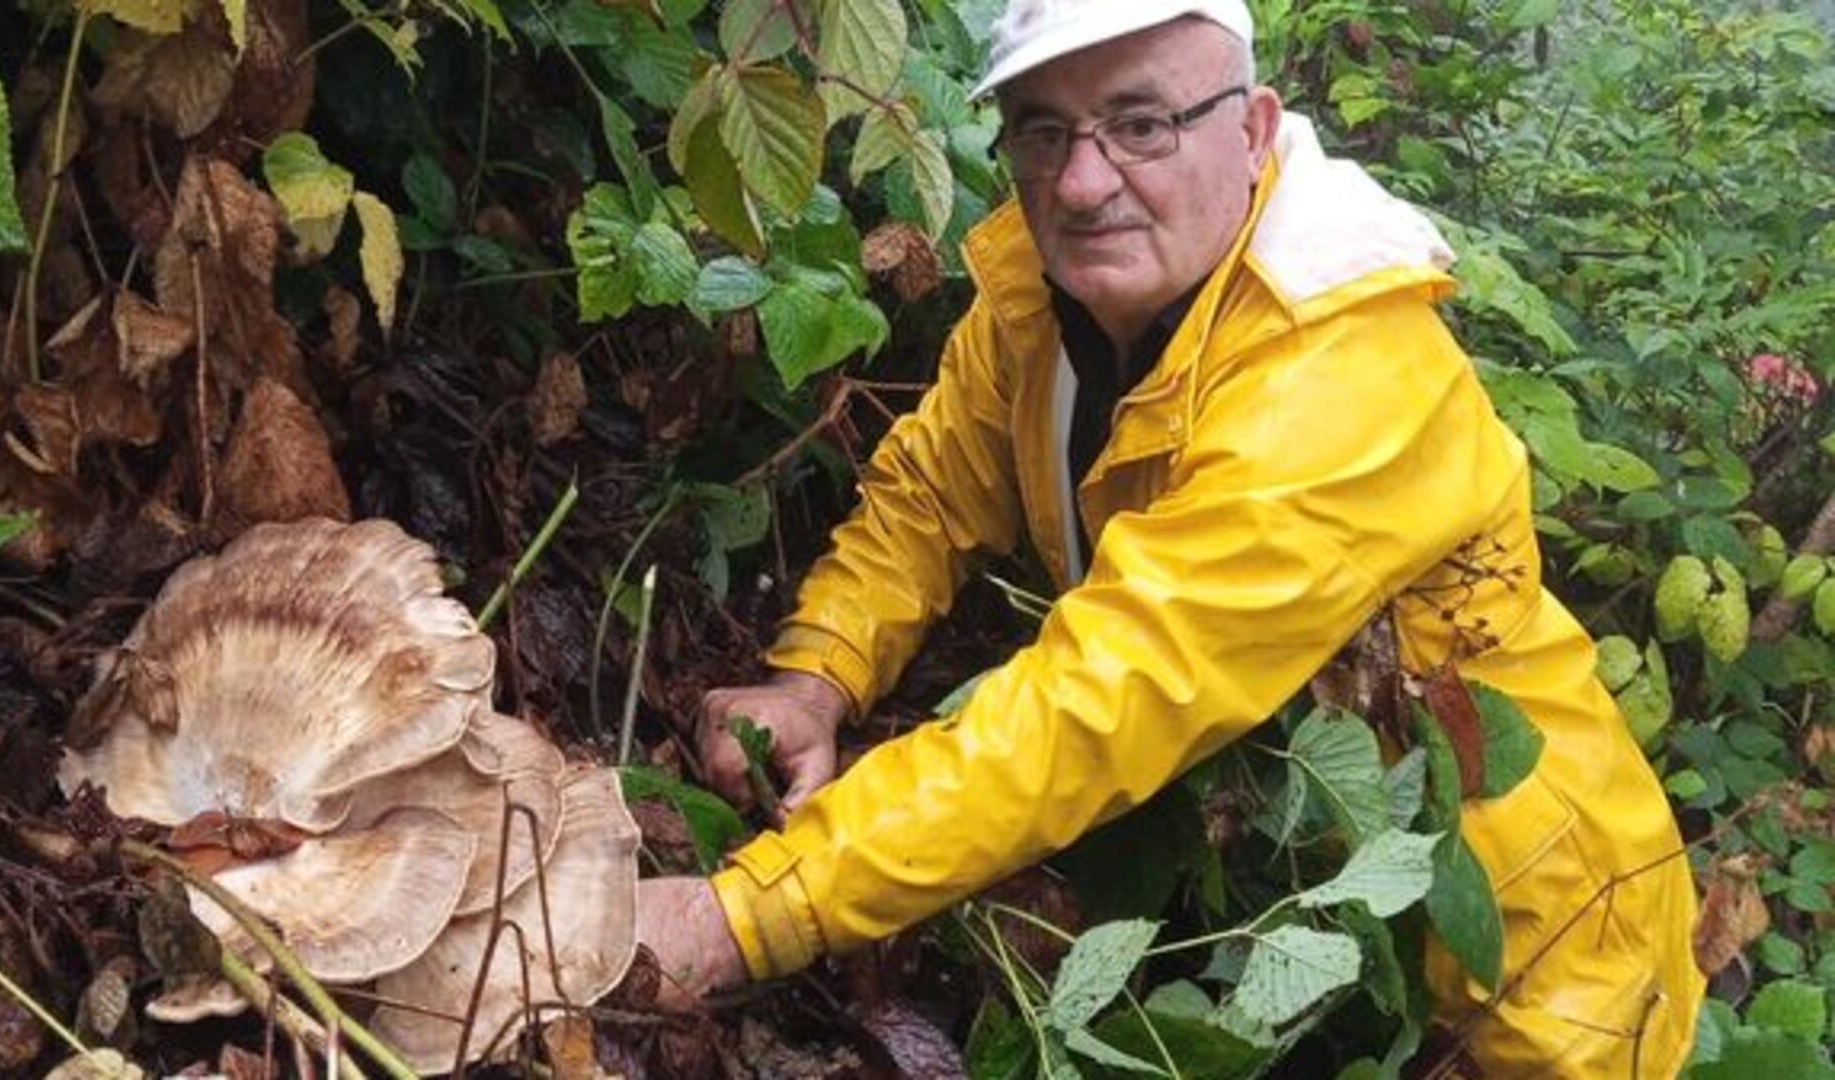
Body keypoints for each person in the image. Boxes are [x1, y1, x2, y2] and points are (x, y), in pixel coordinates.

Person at [635, 1, 1704, 1072]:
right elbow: (935, 490)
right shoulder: (1047, 298)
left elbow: (1107, 696)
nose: (1081, 182)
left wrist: (744, 917)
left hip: (1534, 969)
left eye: (1142, 124)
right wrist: (814, 677)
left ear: (1250, 131)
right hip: (1263, 916)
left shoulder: (1345, 371)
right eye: (1042, 130)